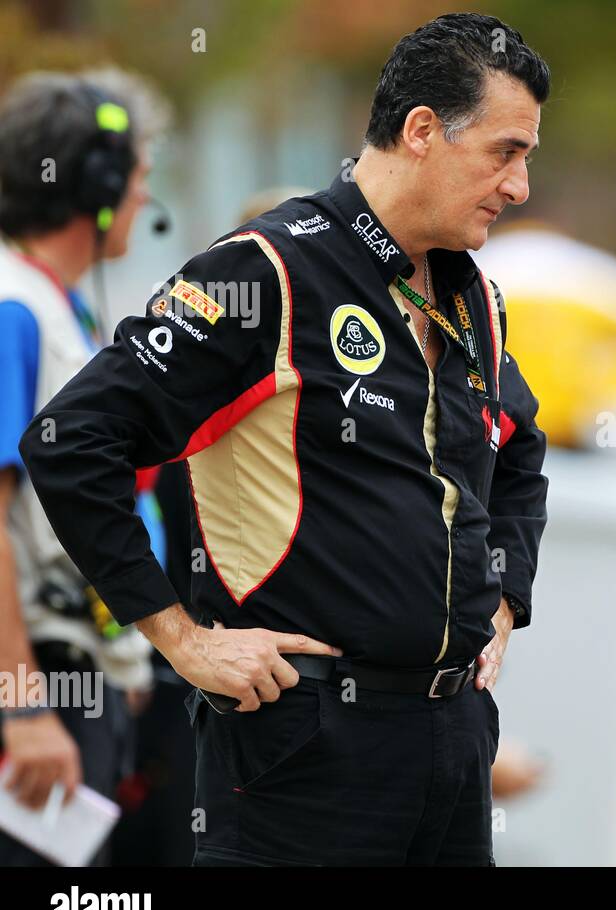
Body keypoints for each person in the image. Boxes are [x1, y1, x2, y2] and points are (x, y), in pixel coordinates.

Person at [21, 13, 551, 866]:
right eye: (505, 151)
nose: (519, 185)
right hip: (304, 749)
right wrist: (181, 638)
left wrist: (505, 600)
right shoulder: (265, 269)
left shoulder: (468, 295)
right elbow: (70, 438)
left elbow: (521, 451)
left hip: (454, 742)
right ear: (422, 132)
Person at [0, 69, 165, 865]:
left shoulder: (61, 306)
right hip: (37, 687)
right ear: (97, 185)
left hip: (76, 676)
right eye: (138, 177)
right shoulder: (13, 309)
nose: (143, 198)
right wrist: (23, 708)